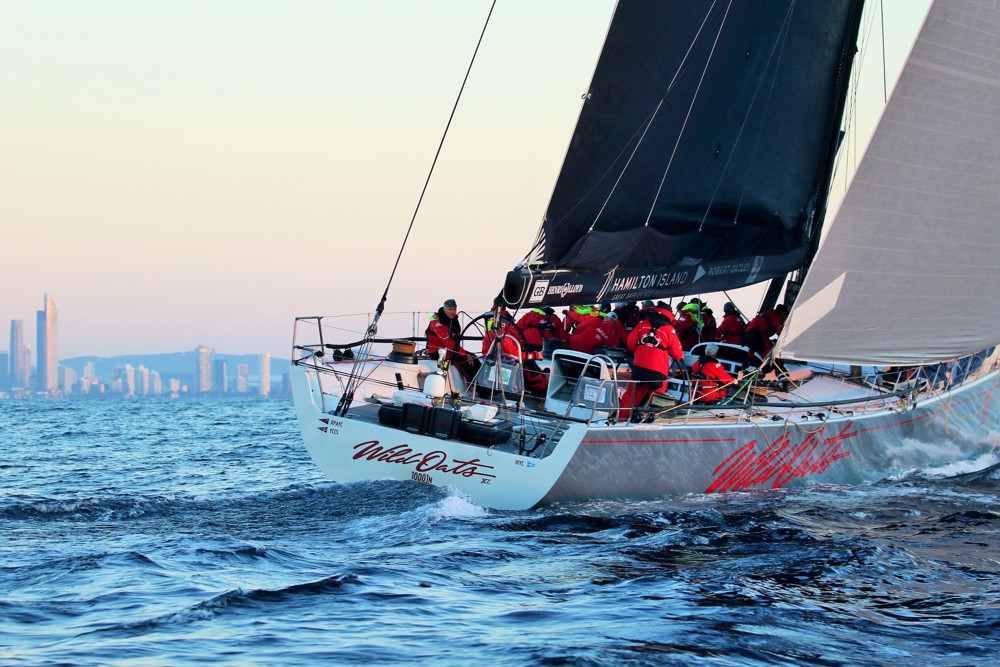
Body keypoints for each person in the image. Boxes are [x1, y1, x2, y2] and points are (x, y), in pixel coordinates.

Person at [619, 306, 683, 421]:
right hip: (658, 372)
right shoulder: (669, 329)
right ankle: (652, 421)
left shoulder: (642, 324)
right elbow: (677, 354)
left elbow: (630, 343)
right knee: (658, 398)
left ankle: (620, 418)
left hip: (639, 369)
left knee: (632, 394)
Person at [425, 298, 480, 382]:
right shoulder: (438, 323)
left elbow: (454, 341)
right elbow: (448, 342)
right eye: (449, 309)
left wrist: (467, 354)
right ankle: (478, 387)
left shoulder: (452, 320)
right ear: (444, 309)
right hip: (437, 352)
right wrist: (465, 354)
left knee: (473, 357)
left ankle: (485, 383)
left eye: (454, 309)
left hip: (448, 349)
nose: (452, 312)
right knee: (464, 360)